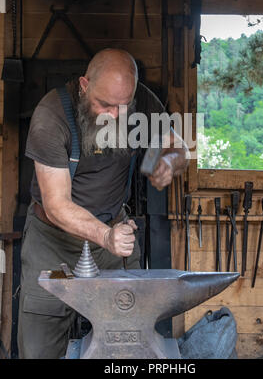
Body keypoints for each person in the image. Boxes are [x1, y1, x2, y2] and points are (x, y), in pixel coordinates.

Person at [17, 48, 189, 359]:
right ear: (84, 85)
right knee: (40, 343)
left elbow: (179, 147)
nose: (115, 115)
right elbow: (57, 205)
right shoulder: (51, 115)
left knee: (131, 331)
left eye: (123, 107)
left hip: (113, 237)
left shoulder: (141, 102)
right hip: (53, 242)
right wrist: (105, 236)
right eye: (105, 105)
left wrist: (169, 162)